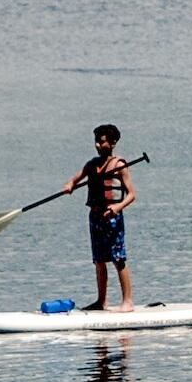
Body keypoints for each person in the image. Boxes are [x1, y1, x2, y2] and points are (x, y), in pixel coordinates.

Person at [62, 124, 137, 311]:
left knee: (118, 259)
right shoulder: (91, 165)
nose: (97, 145)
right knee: (99, 260)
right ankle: (101, 301)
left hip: (112, 217)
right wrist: (70, 184)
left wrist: (118, 207)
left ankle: (127, 301)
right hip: (96, 218)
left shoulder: (119, 165)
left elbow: (131, 194)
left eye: (101, 141)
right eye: (96, 141)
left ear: (112, 143)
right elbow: (75, 179)